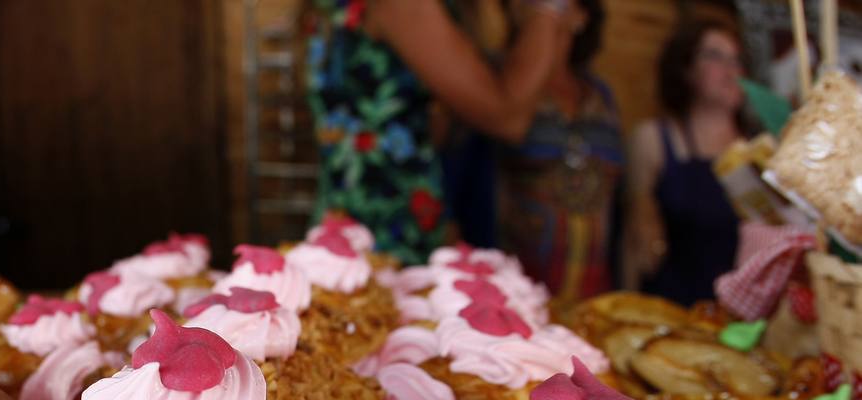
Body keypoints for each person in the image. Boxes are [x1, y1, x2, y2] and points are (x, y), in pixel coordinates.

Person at [307, 0, 574, 265]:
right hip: (389, 239)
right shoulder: (401, 5)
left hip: (347, 227)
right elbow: (507, 118)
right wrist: (549, 9)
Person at [494, 0, 623, 306]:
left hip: (592, 289)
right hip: (514, 292)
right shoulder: (500, 83)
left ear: (582, 16)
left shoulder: (600, 96)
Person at [624, 20, 746, 304]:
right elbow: (633, 240)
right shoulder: (653, 139)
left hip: (737, 320)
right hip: (667, 308)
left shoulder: (759, 152)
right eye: (715, 55)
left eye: (737, 60)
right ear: (685, 69)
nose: (731, 69)